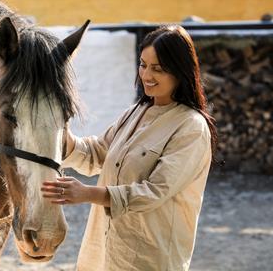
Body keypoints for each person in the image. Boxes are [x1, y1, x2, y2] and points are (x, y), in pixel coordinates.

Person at [41, 25, 218, 271]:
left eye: (158, 69)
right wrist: (57, 129)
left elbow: (154, 192)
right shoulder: (135, 113)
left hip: (149, 258)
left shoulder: (191, 127)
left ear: (180, 71)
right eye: (143, 64)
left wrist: (87, 194)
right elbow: (96, 153)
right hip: (103, 254)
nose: (146, 75)